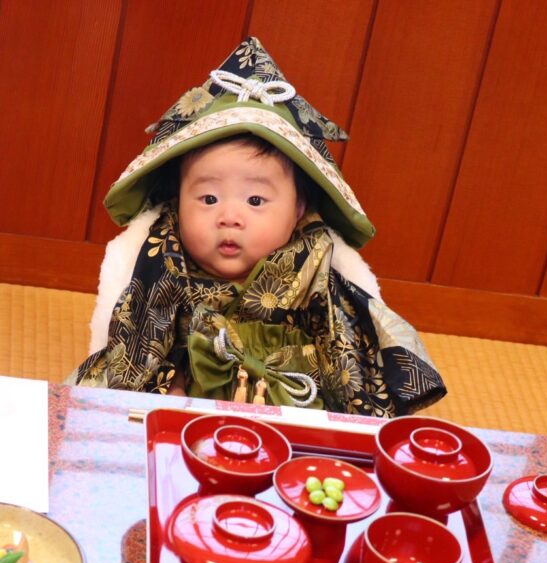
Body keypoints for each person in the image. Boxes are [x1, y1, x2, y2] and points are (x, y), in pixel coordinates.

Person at [69, 37, 446, 417]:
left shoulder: (313, 264)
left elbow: (348, 353)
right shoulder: (165, 261)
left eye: (255, 201)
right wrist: (170, 390)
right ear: (177, 201)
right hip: (191, 413)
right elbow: (141, 346)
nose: (229, 217)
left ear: (298, 209)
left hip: (295, 410)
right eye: (209, 199)